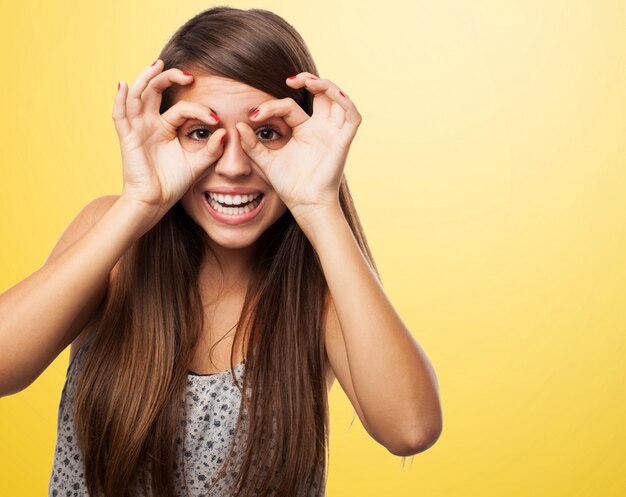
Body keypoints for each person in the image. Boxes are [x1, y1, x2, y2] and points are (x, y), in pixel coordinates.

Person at [0, 6, 442, 497]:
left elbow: (410, 429)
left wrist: (319, 204)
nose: (233, 165)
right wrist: (140, 202)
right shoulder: (112, 238)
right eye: (202, 133)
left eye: (266, 133)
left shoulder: (323, 289)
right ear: (167, 133)